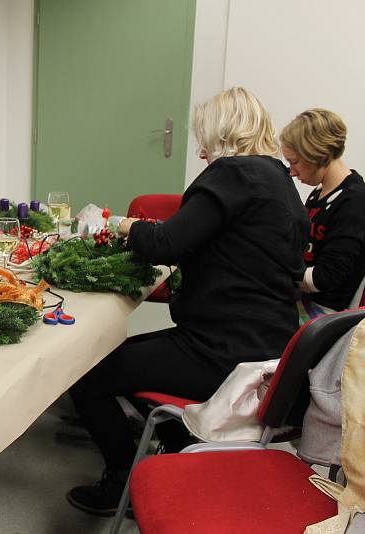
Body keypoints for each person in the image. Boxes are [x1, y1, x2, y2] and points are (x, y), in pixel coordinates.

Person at [66, 87, 310, 516]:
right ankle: (174, 447)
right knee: (112, 358)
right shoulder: (279, 182)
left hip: (221, 353)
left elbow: (164, 244)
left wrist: (119, 223)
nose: (201, 153)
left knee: (86, 374)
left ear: (223, 134)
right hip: (268, 349)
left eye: (204, 140)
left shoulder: (234, 174)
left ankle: (123, 477)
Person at [280, 109, 365, 315]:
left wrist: (279, 274)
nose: (292, 171)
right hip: (305, 300)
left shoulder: (355, 201)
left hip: (326, 314)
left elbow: (328, 277)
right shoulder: (317, 194)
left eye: (295, 162)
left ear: (318, 155)